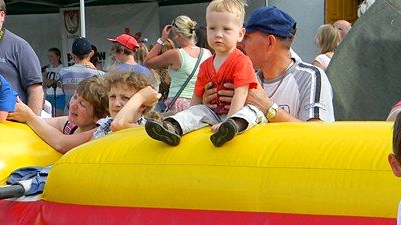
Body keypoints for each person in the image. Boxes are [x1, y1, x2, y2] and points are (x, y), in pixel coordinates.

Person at [144, 0, 262, 148]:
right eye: (212, 28)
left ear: (240, 34)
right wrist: (190, 115)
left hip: (236, 112)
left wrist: (228, 120)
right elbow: (197, 97)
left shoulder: (241, 61)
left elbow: (241, 93)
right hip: (213, 113)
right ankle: (173, 127)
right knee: (198, 110)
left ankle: (232, 127)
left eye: (226, 29)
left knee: (252, 111)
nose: (218, 34)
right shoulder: (206, 65)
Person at [203, 6, 335, 123]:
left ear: (270, 42)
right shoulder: (246, 77)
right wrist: (211, 106)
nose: (239, 43)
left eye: (247, 37)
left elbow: (318, 136)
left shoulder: (310, 77)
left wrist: (267, 107)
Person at [9, 76, 109, 153]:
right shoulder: (70, 124)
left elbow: (61, 143)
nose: (73, 105)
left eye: (82, 104)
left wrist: (29, 116)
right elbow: (41, 122)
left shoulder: (97, 133)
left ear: (98, 116)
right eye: (74, 97)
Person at [143, 15, 210, 114]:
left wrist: (162, 39)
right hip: (200, 104)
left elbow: (147, 62)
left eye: (174, 35)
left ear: (179, 35)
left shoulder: (176, 54)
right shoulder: (207, 53)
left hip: (178, 104)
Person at [93, 69, 159, 138]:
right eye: (112, 97)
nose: (116, 103)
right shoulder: (104, 126)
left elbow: (119, 124)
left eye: (125, 98)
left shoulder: (148, 130)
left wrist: (141, 96)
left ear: (142, 105)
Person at [58, 37, 105, 112]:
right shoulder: (100, 75)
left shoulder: (63, 72)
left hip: (70, 117)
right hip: (91, 118)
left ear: (72, 54)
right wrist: (96, 70)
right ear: (91, 53)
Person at [42, 47, 66, 116]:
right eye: (48, 56)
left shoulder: (63, 69)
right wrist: (44, 76)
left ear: (58, 57)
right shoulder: (48, 69)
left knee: (58, 116)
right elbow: (44, 86)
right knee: (49, 116)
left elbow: (64, 86)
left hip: (59, 96)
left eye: (51, 56)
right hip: (49, 95)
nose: (49, 58)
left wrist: (52, 82)